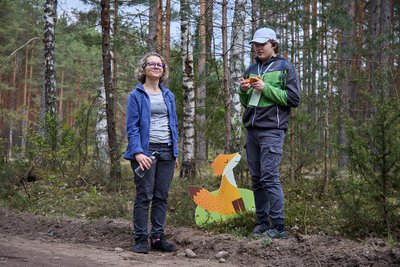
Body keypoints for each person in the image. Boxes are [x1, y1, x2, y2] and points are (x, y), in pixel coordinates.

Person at [238, 28, 300, 239]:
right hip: (252, 131)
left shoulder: (285, 67)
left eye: (262, 44)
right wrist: (243, 90)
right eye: (255, 44)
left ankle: (279, 227)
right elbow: (246, 103)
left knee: (270, 177)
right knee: (256, 179)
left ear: (273, 44)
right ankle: (262, 223)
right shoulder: (251, 68)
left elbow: (294, 99)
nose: (258, 48)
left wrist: (266, 88)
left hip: (272, 131)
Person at [124, 51, 179, 253]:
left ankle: (157, 238)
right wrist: (138, 152)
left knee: (161, 196)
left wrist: (176, 151)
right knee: (144, 196)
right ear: (144, 69)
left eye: (160, 65)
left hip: (167, 152)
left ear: (163, 70)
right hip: (145, 153)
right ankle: (140, 239)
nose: (156, 67)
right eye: (151, 64)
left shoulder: (168, 95)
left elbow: (173, 124)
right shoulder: (136, 96)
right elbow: (132, 127)